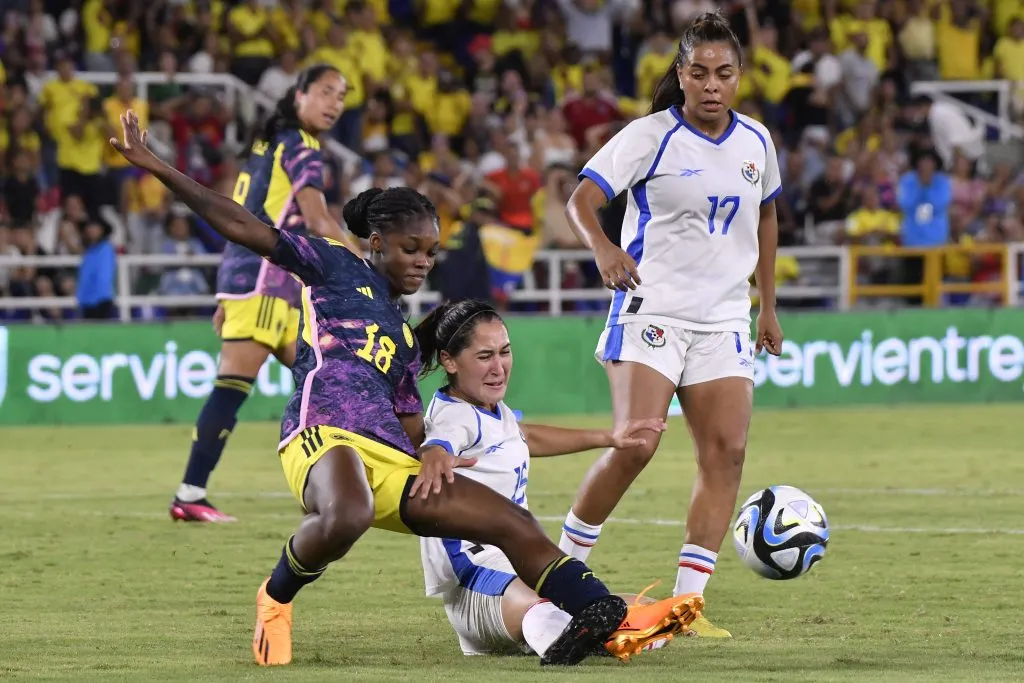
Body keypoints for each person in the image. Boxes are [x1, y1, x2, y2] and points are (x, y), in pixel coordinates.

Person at [110, 112, 697, 668]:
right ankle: (275, 596)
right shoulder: (333, 265)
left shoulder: (404, 341)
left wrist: (436, 450)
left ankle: (606, 615)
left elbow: (412, 421)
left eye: (430, 253)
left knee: (511, 525)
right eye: (410, 249)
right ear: (374, 241)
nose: (422, 262)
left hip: (389, 459)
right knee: (349, 513)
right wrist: (157, 166)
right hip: (319, 436)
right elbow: (244, 225)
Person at [557, 12, 785, 637]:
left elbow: (766, 218)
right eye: (699, 72)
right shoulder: (650, 135)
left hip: (722, 320)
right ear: (681, 75)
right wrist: (605, 249)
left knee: (727, 454)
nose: (712, 84)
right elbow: (580, 199)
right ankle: (560, 577)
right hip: (651, 308)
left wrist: (766, 304)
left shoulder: (756, 142)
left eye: (725, 73)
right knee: (637, 442)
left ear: (739, 77)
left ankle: (685, 609)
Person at [414, 299, 704, 661]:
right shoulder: (454, 417)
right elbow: (439, 443)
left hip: (513, 575)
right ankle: (570, 645)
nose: (499, 366)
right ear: (449, 361)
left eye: (505, 352)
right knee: (548, 606)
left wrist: (608, 437)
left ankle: (612, 632)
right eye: (484, 356)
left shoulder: (489, 411)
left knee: (629, 606)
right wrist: (434, 454)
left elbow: (525, 437)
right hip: (477, 581)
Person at [170, 64, 361, 523]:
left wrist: (226, 290)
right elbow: (317, 219)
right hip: (263, 281)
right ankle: (190, 493)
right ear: (299, 95)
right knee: (245, 383)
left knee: (327, 378)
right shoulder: (302, 145)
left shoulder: (268, 144)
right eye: (326, 92)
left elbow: (244, 211)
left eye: (342, 95)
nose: (335, 103)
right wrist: (360, 264)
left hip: (263, 281)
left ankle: (342, 483)